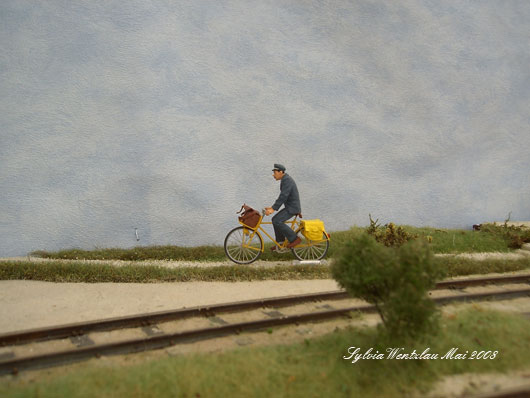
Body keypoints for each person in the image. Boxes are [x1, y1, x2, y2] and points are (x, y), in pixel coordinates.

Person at [264, 164, 302, 250]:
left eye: (275, 172)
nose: (273, 175)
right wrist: (272, 207)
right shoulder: (285, 180)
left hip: (292, 208)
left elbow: (283, 196)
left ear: (281, 172)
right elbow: (283, 197)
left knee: (277, 221)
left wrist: (273, 208)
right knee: (275, 220)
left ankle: (295, 239)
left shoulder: (287, 180)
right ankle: (280, 243)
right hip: (290, 207)